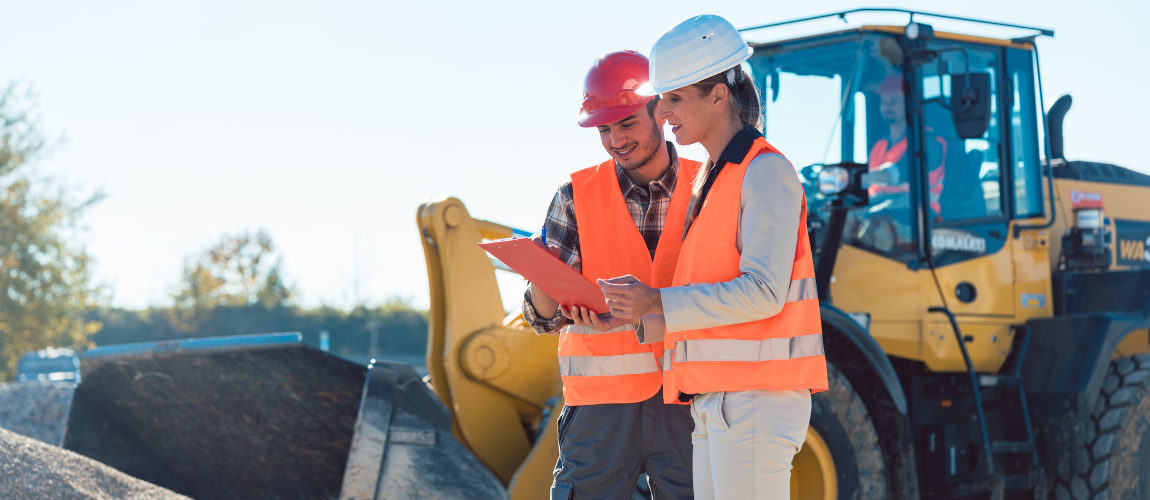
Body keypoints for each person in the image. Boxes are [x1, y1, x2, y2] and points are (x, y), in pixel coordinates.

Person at [563, 16, 828, 499]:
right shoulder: (715, 180)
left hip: (754, 398)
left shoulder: (765, 172)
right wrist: (631, 317)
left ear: (719, 96)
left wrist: (655, 301)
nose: (661, 112)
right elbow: (711, 306)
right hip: (716, 399)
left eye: (674, 98)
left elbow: (765, 293)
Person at [522, 50, 701, 500]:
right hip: (601, 411)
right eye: (604, 129)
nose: (615, 140)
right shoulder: (573, 196)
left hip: (691, 395)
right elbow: (541, 318)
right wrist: (543, 274)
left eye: (626, 124)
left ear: (660, 112)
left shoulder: (710, 187)